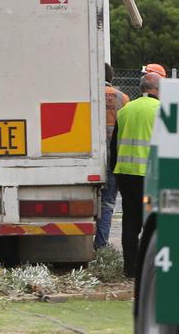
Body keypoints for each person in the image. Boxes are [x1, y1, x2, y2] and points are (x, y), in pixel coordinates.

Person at [110, 69, 163, 278]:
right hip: (151, 177)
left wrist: (115, 171)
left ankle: (130, 268)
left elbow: (114, 145)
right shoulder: (162, 110)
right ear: (157, 89)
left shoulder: (126, 110)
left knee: (130, 222)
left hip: (126, 175)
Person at [95, 63, 130, 249]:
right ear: (112, 76)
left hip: (92, 153)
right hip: (114, 154)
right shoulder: (122, 98)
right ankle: (100, 245)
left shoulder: (88, 94)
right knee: (108, 203)